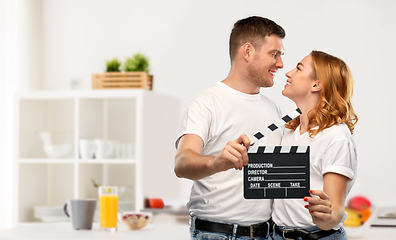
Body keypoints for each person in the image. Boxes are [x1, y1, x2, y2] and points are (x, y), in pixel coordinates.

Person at [174, 16, 286, 240]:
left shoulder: (274, 109)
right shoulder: (205, 104)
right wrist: (216, 162)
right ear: (247, 51)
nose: (281, 64)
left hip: (267, 233)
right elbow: (182, 162)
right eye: (274, 54)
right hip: (219, 234)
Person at [271, 50, 358, 240]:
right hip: (277, 235)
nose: (288, 72)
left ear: (317, 84)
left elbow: (333, 214)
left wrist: (325, 215)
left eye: (298, 68)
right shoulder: (288, 132)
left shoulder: (336, 136)